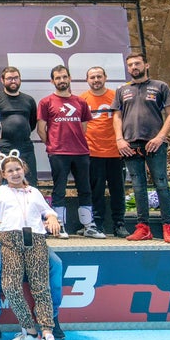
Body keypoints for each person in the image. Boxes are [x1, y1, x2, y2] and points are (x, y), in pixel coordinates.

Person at [0, 143, 65, 340]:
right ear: (4, 174)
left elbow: (47, 210)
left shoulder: (33, 192)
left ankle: (50, 325)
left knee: (53, 268)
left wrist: (52, 218)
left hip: (34, 239)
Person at [113, 52, 170, 243]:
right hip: (130, 144)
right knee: (138, 187)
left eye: (137, 64)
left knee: (161, 184)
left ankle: (169, 227)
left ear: (146, 65)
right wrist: (119, 139)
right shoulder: (122, 91)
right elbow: (116, 116)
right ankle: (143, 228)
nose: (134, 67)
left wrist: (160, 137)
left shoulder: (160, 86)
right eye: (131, 65)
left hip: (154, 143)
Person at [37, 65, 104, 239]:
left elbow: (84, 128)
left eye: (64, 77)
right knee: (59, 189)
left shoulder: (80, 102)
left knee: (85, 188)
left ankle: (89, 226)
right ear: (52, 81)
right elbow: (41, 129)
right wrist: (53, 145)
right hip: (58, 153)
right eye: (58, 78)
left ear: (70, 78)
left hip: (80, 152)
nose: (62, 80)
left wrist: (75, 142)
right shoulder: (46, 102)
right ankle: (59, 226)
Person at [79, 66, 128, 238]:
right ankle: (97, 224)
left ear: (105, 77)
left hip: (116, 152)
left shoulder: (116, 96)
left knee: (118, 191)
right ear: (87, 80)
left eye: (99, 76)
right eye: (92, 77)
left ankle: (119, 224)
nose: (96, 80)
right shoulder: (82, 99)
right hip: (93, 153)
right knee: (96, 192)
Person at [0, 66, 39, 186]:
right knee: (6, 183)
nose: (13, 81)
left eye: (16, 78)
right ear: (2, 80)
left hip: (26, 148)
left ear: (20, 79)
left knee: (30, 183)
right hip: (4, 148)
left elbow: (32, 123)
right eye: (9, 78)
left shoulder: (29, 100)